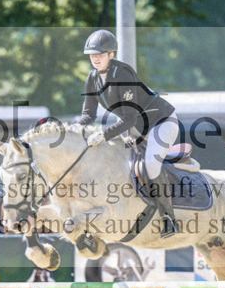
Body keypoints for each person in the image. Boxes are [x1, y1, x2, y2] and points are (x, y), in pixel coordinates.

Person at [76, 29, 179, 238]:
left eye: (100, 54)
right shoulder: (92, 78)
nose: (95, 59)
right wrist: (74, 130)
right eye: (92, 55)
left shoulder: (122, 74)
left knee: (150, 164)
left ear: (111, 54)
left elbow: (129, 118)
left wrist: (103, 135)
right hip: (135, 130)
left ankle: (168, 218)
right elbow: (88, 115)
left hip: (160, 123)